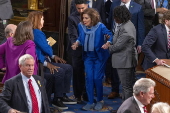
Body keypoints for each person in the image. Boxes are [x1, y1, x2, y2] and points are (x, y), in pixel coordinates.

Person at [27, 11, 77, 110]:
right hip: (40, 63)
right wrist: (49, 52)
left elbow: (44, 49)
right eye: (42, 19)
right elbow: (46, 49)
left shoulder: (37, 32)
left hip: (45, 59)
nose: (43, 21)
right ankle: (57, 99)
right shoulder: (37, 33)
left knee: (68, 67)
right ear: (37, 20)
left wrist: (53, 56)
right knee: (60, 70)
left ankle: (62, 95)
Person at [72, 8, 113, 110]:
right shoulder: (81, 26)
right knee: (89, 79)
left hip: (99, 57)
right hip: (88, 57)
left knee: (97, 79)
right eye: (83, 18)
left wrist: (108, 43)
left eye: (86, 18)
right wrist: (77, 43)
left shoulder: (100, 26)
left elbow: (111, 35)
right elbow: (81, 37)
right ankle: (90, 101)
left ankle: (100, 100)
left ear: (93, 18)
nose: (84, 20)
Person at [102, 5, 137, 101]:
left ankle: (126, 109)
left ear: (120, 16)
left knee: (126, 87)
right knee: (127, 86)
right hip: (124, 59)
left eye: (115, 16)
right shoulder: (126, 24)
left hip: (125, 61)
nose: (114, 18)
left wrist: (106, 47)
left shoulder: (126, 29)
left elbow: (117, 46)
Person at [68, 0, 88, 103]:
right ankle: (78, 95)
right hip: (77, 49)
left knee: (89, 73)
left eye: (82, 8)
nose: (80, 11)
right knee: (77, 72)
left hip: (90, 50)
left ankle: (87, 94)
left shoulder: (94, 14)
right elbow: (72, 34)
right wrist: (75, 43)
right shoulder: (72, 18)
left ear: (87, 6)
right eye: (78, 8)